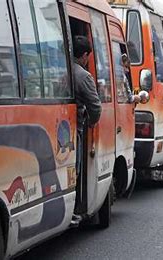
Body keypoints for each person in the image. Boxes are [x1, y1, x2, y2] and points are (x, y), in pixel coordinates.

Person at [71, 36, 102, 223]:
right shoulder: (83, 75)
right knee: (74, 169)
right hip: (76, 129)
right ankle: (74, 209)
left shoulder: (60, 69)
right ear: (84, 55)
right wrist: (91, 122)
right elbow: (96, 107)